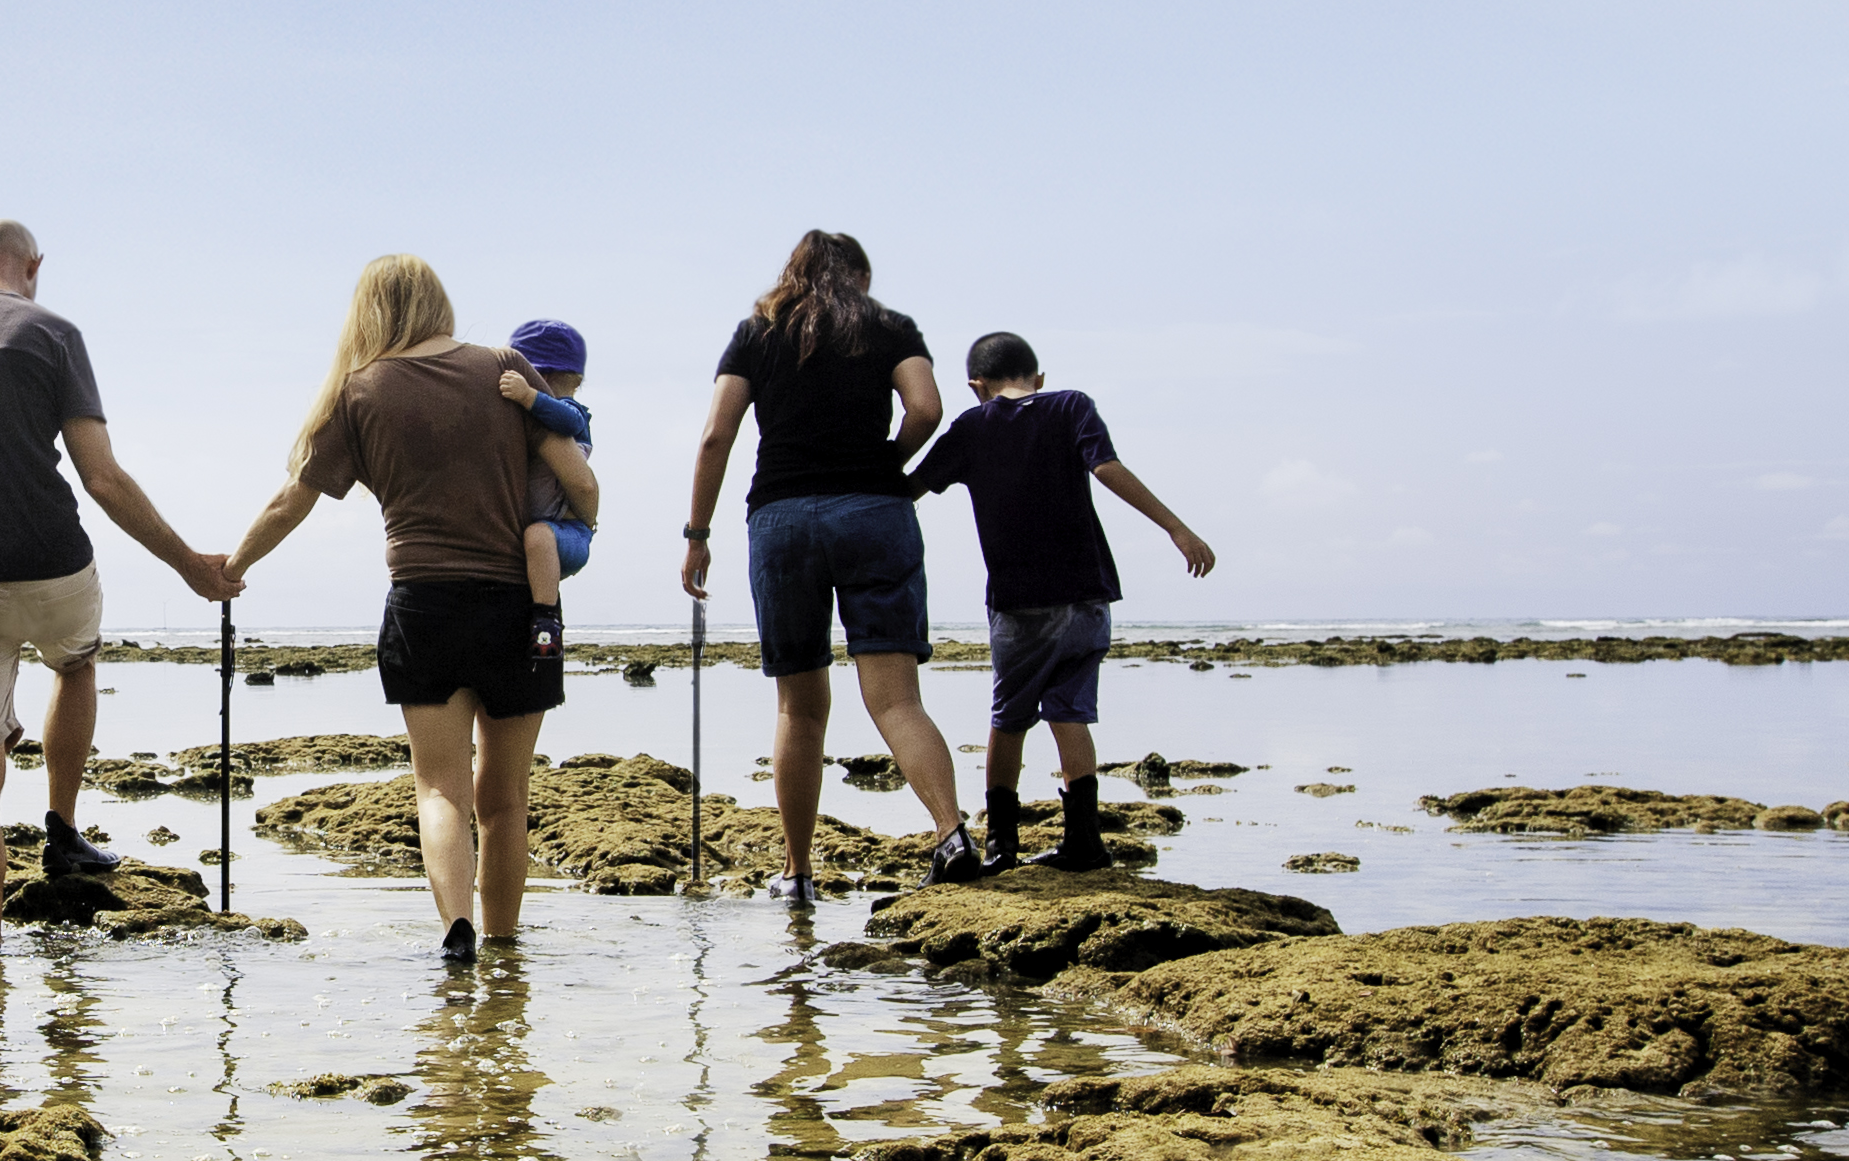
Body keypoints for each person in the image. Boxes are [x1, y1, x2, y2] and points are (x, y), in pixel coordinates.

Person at [0, 219, 240, 953]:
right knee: (74, 662)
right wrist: (190, 565)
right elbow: (102, 477)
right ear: (33, 265)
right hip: (55, 563)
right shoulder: (52, 331)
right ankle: (62, 831)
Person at [225, 255, 602, 965]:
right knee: (506, 797)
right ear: (438, 302)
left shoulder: (359, 389)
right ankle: (506, 944)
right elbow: (577, 479)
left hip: (422, 609)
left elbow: (291, 500)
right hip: (516, 607)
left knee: (439, 788)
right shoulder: (503, 365)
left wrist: (232, 567)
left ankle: (456, 929)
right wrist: (574, 530)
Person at [677, 228, 989, 904]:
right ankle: (951, 832)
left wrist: (697, 534)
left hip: (782, 519)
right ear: (861, 278)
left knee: (800, 705)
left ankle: (796, 873)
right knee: (897, 698)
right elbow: (928, 408)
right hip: (874, 512)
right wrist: (884, 461)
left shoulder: (756, 331)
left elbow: (715, 435)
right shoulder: (888, 327)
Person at [907, 330, 1217, 868]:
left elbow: (908, 488)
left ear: (974, 386)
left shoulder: (970, 426)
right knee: (1071, 712)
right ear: (1038, 379)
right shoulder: (1071, 405)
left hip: (1019, 600)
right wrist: (1178, 529)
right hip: (1087, 592)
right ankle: (1084, 842)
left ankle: (1003, 843)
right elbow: (1108, 469)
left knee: (1008, 717)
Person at [496, 318, 593, 613]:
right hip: (538, 537)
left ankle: (545, 620)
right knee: (534, 537)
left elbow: (569, 421)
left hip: (565, 531)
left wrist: (528, 395)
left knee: (538, 536)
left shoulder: (570, 413)